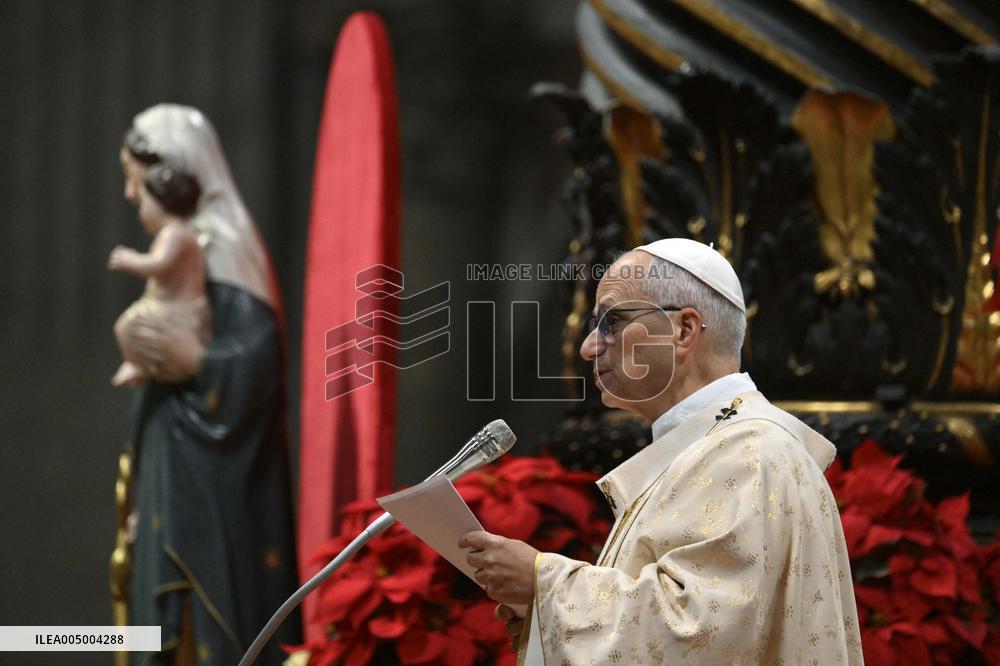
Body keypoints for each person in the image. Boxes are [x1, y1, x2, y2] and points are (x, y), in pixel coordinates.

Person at [459, 238, 863, 664]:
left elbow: (698, 633)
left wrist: (545, 584)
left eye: (611, 322)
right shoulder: (717, 448)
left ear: (683, 330)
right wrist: (544, 611)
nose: (588, 348)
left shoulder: (749, 454)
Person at [114, 104, 300, 665]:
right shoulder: (181, 243)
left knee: (209, 616)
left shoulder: (222, 244)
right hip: (168, 463)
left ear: (172, 178)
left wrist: (197, 359)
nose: (128, 194)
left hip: (214, 479)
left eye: (134, 179)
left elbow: (258, 358)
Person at [109, 148, 209, 388]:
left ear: (161, 203)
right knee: (127, 328)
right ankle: (145, 364)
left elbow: (159, 265)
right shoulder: (175, 233)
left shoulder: (176, 234)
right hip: (165, 307)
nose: (139, 206)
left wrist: (130, 260)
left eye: (144, 201)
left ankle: (148, 364)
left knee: (127, 326)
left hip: (178, 312)